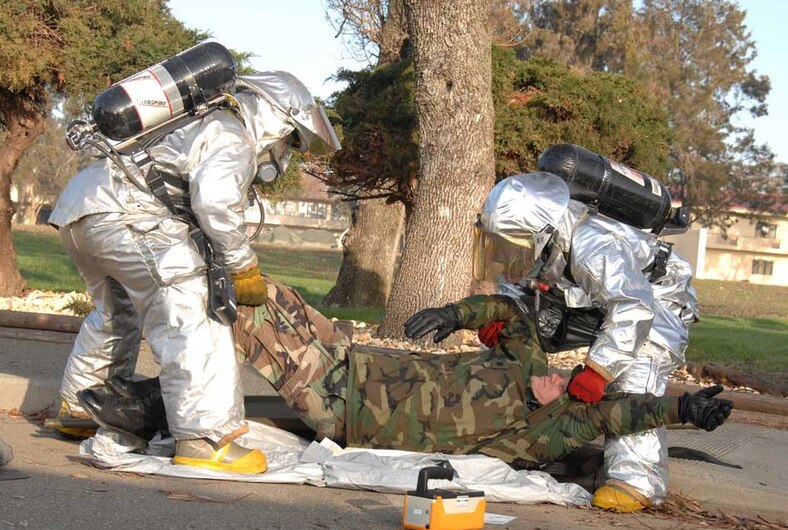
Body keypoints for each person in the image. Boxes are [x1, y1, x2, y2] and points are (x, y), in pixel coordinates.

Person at [77, 276, 731, 470]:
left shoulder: (536, 434)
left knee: (246, 325)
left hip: (346, 403)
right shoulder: (526, 361)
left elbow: (619, 411)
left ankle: (142, 402)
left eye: (569, 388)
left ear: (567, 407)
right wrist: (456, 312)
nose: (559, 381)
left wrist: (682, 408)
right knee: (262, 292)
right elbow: (506, 311)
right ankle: (158, 347)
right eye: (565, 374)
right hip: (355, 358)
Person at [48, 68, 340, 474]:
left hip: (82, 209)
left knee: (116, 312)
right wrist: (243, 266)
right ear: (275, 117)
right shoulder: (232, 133)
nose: (284, 153)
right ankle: (205, 438)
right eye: (289, 139)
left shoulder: (197, 121)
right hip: (129, 217)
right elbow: (215, 205)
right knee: (193, 311)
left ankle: (79, 404)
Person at [472, 171, 700, 511]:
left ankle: (636, 482)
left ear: (540, 231)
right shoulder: (544, 237)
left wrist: (598, 371)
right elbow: (520, 283)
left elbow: (634, 307)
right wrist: (503, 318)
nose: (507, 252)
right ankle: (508, 427)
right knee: (521, 327)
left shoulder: (594, 244)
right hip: (591, 299)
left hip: (656, 301)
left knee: (633, 374)